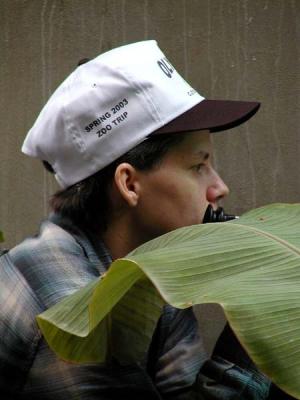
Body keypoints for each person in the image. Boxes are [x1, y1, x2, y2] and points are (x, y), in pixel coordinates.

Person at [0, 40, 292, 399]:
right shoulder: (67, 307)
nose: (220, 188)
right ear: (129, 183)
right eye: (198, 166)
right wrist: (264, 334)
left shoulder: (147, 272)